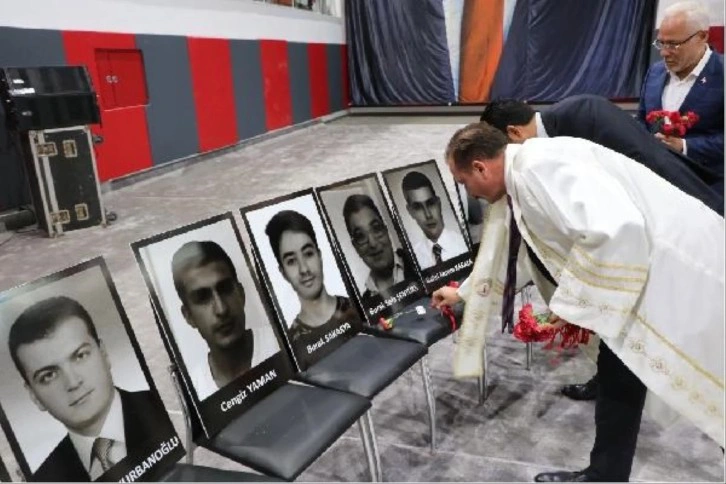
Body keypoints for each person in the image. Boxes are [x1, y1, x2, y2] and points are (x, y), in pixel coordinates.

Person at [434, 122, 724, 482]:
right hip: (646, 276)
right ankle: (606, 474)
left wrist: (569, 303)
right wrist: (463, 293)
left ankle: (605, 474)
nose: (470, 193)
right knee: (620, 374)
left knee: (711, 379)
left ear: (480, 167)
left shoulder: (539, 170)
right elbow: (517, 250)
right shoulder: (523, 171)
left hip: (677, 272)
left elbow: (618, 230)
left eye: (464, 182)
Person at [480, 95, 724, 401]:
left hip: (671, 226)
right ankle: (613, 381)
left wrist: (701, 216)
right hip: (630, 248)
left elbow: (649, 164)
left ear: (514, 133)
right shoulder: (550, 142)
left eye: (502, 150)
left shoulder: (582, 117)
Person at [8, 296, 173, 482]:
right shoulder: (45, 479)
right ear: (34, 396)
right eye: (49, 375)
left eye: (80, 356)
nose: (73, 382)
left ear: (104, 353)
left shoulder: (168, 410)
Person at [638, 1, 724, 194]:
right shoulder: (655, 72)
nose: (664, 53)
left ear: (702, 36)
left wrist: (685, 146)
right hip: (656, 187)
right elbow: (642, 122)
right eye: (661, 43)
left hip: (709, 191)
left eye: (673, 44)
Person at [172, 240, 274, 400]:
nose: (221, 309)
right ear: (189, 316)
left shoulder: (281, 341)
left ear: (241, 294)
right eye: (202, 298)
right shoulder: (194, 391)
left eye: (225, 289)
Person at [265, 210, 359, 367]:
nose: (304, 269)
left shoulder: (358, 307)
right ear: (283, 273)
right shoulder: (292, 347)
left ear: (319, 255)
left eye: (308, 254)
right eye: (291, 261)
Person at [342, 194, 416, 300]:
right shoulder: (365, 303)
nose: (373, 243)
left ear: (385, 230)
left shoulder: (420, 261)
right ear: (355, 247)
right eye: (360, 236)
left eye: (376, 228)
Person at [400, 170, 468, 269]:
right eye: (418, 207)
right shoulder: (413, 260)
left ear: (438, 204)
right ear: (410, 212)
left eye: (430, 203)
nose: (428, 215)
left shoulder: (464, 243)